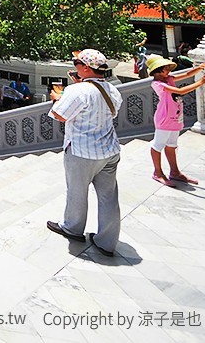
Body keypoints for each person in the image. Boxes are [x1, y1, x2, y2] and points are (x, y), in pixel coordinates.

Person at [46, 49, 122, 257]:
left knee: (77, 192)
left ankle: (72, 228)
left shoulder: (77, 91)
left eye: (76, 62)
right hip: (109, 150)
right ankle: (107, 242)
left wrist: (56, 98)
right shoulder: (113, 90)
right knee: (108, 197)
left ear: (86, 67)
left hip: (82, 150)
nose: (74, 65)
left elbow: (59, 115)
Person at [146, 55, 205, 186]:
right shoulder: (158, 84)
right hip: (164, 118)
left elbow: (187, 74)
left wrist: (198, 68)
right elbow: (180, 91)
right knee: (158, 145)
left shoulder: (168, 78)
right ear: (157, 71)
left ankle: (174, 172)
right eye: (166, 69)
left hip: (175, 117)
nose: (168, 71)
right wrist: (200, 82)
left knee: (172, 145)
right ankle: (157, 173)